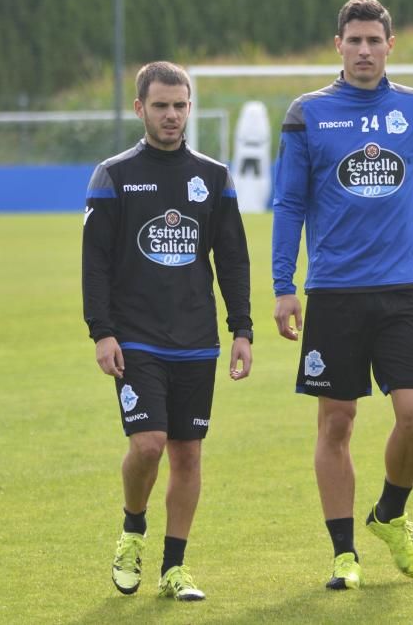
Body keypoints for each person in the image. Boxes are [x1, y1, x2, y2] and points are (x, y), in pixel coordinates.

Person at [271, 0, 413, 590]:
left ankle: (390, 513)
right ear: (338, 46)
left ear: (390, 45)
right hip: (334, 293)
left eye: (373, 41)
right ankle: (343, 554)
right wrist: (284, 286)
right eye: (353, 41)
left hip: (403, 289)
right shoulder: (309, 114)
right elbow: (289, 204)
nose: (363, 51)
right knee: (337, 423)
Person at [82, 61, 253, 602]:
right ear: (140, 109)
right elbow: (95, 262)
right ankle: (133, 529)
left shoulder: (214, 177)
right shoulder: (113, 175)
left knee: (187, 453)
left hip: (197, 339)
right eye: (161, 105)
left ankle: (174, 568)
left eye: (180, 105)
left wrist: (242, 329)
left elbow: (232, 259)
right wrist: (101, 332)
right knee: (149, 444)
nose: (172, 115)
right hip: (135, 337)